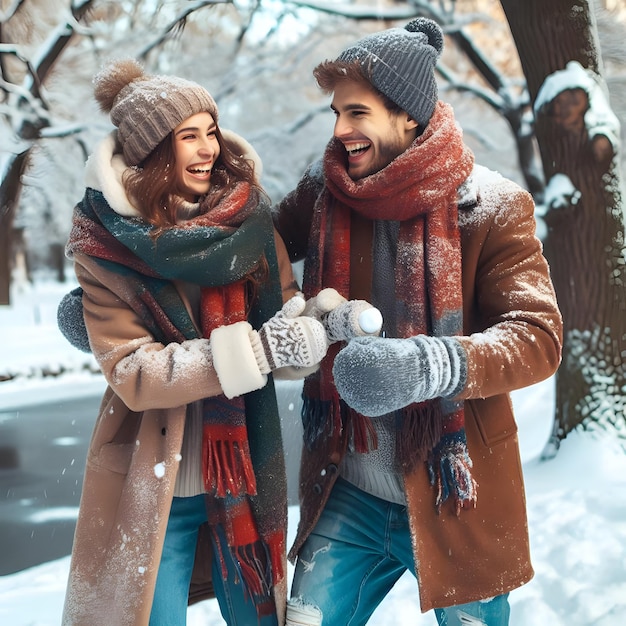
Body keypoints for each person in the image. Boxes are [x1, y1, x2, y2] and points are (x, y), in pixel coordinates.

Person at [272, 17, 563, 626]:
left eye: (357, 113)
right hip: (345, 486)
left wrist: (426, 366)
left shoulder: (491, 204)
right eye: (335, 114)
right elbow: (251, 248)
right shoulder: (325, 195)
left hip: (453, 489)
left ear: (408, 114)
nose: (341, 130)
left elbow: (537, 336)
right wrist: (122, 281)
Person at [59, 59, 334, 626]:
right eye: (189, 136)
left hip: (244, 474)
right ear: (153, 151)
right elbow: (135, 372)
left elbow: (280, 312)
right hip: (153, 477)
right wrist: (256, 352)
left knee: (259, 617)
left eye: (211, 131)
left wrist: (304, 339)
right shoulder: (103, 244)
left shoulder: (250, 222)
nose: (208, 147)